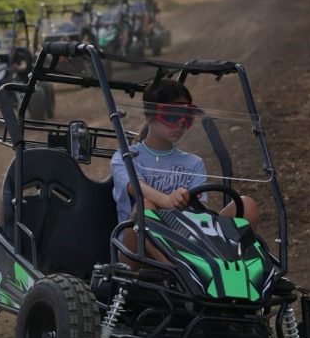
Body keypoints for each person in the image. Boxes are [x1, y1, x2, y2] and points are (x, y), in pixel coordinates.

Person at [110, 78, 259, 263]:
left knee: (246, 205)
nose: (180, 123)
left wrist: (192, 205)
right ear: (150, 114)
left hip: (186, 243)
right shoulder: (126, 156)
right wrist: (167, 201)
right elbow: (137, 188)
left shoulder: (193, 163)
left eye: (186, 116)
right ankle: (184, 270)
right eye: (172, 115)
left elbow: (201, 213)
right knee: (145, 207)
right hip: (137, 253)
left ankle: (231, 267)